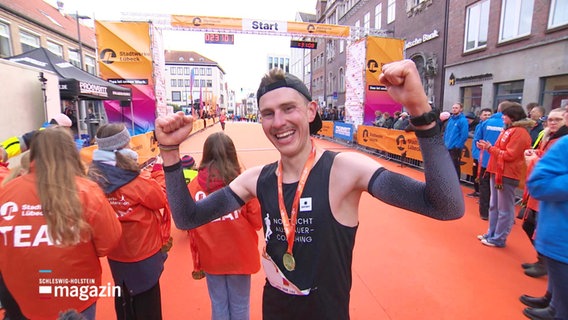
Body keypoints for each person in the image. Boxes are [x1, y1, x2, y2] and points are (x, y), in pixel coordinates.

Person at [154, 59, 464, 318]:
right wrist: (169, 154)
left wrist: (420, 112)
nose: (279, 122)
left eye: (289, 108)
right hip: (274, 309)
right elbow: (187, 218)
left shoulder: (345, 170)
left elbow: (445, 205)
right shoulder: (256, 180)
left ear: (311, 111)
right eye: (268, 113)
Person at [0, 126, 122, 320]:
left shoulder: (7, 191)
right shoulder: (87, 191)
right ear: (71, 152)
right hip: (75, 297)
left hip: (20, 299)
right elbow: (108, 242)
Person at [88, 123, 170, 320]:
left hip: (116, 254)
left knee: (123, 298)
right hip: (144, 253)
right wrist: (158, 171)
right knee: (148, 305)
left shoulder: (93, 178)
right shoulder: (135, 180)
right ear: (123, 146)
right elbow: (160, 198)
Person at [186, 132, 261, 320]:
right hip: (241, 256)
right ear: (232, 153)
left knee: (218, 305)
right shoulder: (244, 184)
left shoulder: (194, 186)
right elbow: (258, 222)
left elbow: (187, 222)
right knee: (240, 307)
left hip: (211, 256)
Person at [524, 134, 568, 320]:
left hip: (561, 236)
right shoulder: (557, 140)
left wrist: (534, 162)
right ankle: (552, 303)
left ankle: (555, 308)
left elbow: (539, 183)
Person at [476, 103, 533, 247]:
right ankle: (492, 233)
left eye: (505, 115)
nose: (502, 117)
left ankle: (499, 238)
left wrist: (490, 148)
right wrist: (489, 148)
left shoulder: (520, 133)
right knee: (494, 206)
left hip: (506, 173)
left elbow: (510, 155)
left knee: (504, 209)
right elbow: (502, 151)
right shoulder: (510, 130)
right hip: (497, 171)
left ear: (513, 117)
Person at [520, 107, 567, 278]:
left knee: (538, 228)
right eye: (551, 119)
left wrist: (535, 161)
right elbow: (547, 158)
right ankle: (543, 261)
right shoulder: (552, 137)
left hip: (551, 195)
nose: (553, 122)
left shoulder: (561, 140)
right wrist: (536, 153)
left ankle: (545, 263)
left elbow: (554, 167)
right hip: (542, 193)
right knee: (530, 225)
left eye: (558, 120)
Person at [474, 102, 512, 220]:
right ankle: (503, 215)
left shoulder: (486, 123)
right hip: (503, 162)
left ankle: (484, 212)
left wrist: (477, 158)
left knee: (485, 187)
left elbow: (477, 140)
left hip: (486, 159)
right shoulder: (510, 125)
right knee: (502, 190)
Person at [0, 113, 73, 162]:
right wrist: (3, 152)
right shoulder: (38, 135)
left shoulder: (40, 135)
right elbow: (18, 143)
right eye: (67, 129)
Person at [468, 108, 492, 198]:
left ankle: (483, 195)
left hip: (485, 155)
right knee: (475, 173)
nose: (487, 116)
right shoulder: (479, 126)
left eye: (489, 115)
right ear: (480, 116)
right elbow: (476, 139)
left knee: (483, 176)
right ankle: (477, 191)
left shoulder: (490, 127)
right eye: (485, 115)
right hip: (476, 153)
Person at [443, 102, 469, 179]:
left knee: (455, 166)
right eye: (453, 108)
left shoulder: (463, 120)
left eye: (456, 108)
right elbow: (446, 132)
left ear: (461, 109)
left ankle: (456, 182)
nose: (454, 109)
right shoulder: (451, 119)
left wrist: (457, 146)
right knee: (447, 165)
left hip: (455, 148)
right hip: (447, 146)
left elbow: (464, 135)